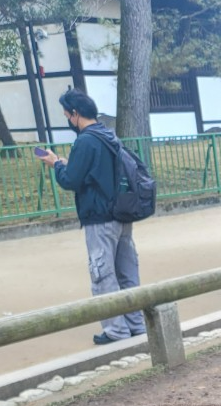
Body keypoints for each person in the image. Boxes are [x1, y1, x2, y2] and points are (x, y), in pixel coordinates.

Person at [37, 89, 144, 345]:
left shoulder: (85, 141)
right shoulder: (108, 135)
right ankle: (136, 323)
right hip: (121, 213)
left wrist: (57, 164)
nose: (66, 119)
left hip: (99, 217)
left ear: (75, 114)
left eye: (66, 115)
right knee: (126, 271)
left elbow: (70, 180)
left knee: (103, 273)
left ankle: (115, 330)